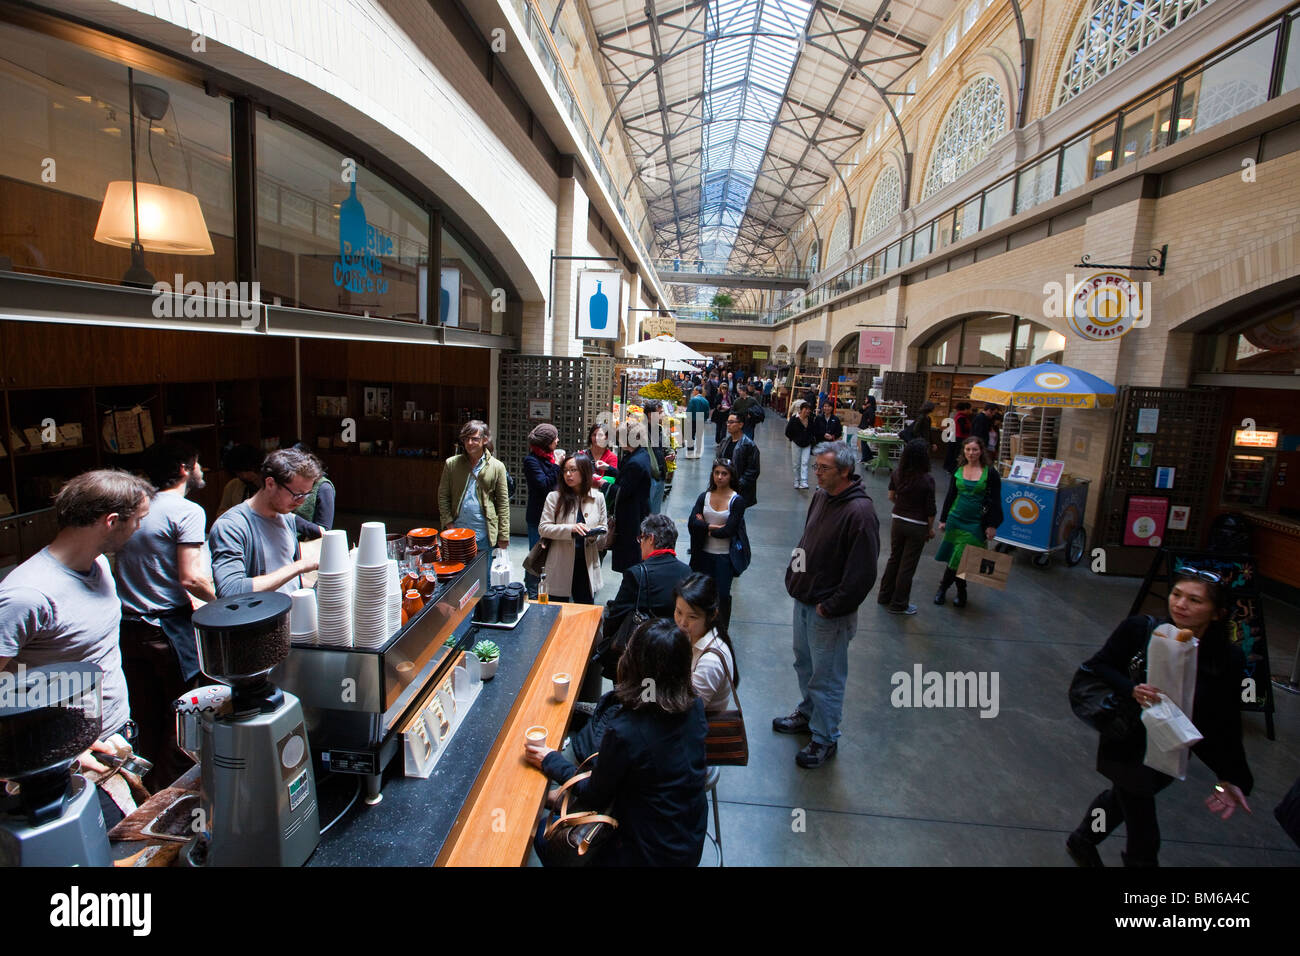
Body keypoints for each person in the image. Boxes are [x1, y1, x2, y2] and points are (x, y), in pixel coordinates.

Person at [1066, 569, 1254, 867]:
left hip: (1171, 747)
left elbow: (1225, 720)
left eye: (1194, 600)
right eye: (1177, 594)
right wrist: (1132, 689)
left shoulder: (1227, 659)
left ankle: (1082, 840)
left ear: (1216, 614)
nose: (1180, 604)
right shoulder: (1140, 629)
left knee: (1122, 797)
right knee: (1144, 832)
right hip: (1127, 738)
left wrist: (1232, 776)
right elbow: (1099, 666)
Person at [0, 468, 154, 826]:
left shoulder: (98, 564)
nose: (140, 529)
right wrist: (66, 751)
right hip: (67, 761)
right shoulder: (27, 595)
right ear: (111, 521)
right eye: (138, 521)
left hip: (115, 737)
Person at [525, 618, 708, 867]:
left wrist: (550, 760)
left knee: (544, 839)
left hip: (646, 854)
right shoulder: (694, 705)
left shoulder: (627, 731)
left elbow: (595, 795)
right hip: (688, 841)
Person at [114, 440, 218, 791]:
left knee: (147, 713)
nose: (201, 470)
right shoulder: (186, 511)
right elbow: (190, 577)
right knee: (187, 713)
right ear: (185, 468)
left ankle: (137, 790)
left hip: (128, 626)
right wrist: (220, 603)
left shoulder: (137, 508)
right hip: (167, 628)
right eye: (198, 462)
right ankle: (168, 795)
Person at [775, 442, 880, 769]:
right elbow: (808, 539)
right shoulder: (821, 496)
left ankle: (824, 737)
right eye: (815, 466)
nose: (815, 472)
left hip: (828, 612)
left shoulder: (859, 513)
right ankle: (808, 714)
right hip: (804, 599)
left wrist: (832, 606)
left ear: (845, 471)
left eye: (823, 468)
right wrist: (794, 575)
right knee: (804, 663)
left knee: (828, 675)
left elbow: (862, 573)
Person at [209, 447, 321, 597]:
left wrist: (319, 586)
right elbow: (231, 590)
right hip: (260, 619)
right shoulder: (231, 526)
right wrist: (300, 566)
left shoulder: (286, 518)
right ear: (270, 484)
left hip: (291, 615)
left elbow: (288, 582)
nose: (301, 502)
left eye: (306, 495)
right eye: (297, 494)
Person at [933, 436, 1004, 608]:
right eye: (968, 449)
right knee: (959, 557)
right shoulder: (958, 469)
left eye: (975, 450)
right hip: (955, 518)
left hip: (975, 523)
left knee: (961, 556)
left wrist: (992, 525)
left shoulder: (990, 473)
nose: (971, 453)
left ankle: (943, 588)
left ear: (981, 451)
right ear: (963, 451)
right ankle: (960, 590)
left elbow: (995, 500)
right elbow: (950, 495)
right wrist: (943, 519)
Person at [437, 420, 511, 582]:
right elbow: (443, 496)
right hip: (456, 531)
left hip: (484, 531)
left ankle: (483, 607)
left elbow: (503, 503)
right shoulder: (452, 464)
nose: (470, 443)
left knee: (484, 580)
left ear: (485, 440)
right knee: (456, 579)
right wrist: (449, 523)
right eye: (466, 439)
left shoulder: (497, 466)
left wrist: (503, 535)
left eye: (475, 439)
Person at [687, 458, 750, 631]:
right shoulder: (704, 496)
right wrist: (709, 527)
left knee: (721, 596)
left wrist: (705, 527)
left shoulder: (736, 501)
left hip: (724, 558)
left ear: (731, 476)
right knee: (699, 595)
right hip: (702, 555)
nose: (720, 477)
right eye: (716, 473)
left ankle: (721, 631)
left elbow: (729, 530)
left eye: (724, 474)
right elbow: (692, 523)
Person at [876, 439, 936, 616]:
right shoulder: (927, 480)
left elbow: (890, 496)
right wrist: (930, 528)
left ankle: (884, 596)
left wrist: (901, 505)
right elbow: (930, 509)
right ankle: (899, 603)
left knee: (894, 558)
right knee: (907, 565)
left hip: (898, 520)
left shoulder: (897, 474)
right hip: (917, 525)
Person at [538, 453, 608, 604]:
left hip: (586, 564)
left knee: (585, 611)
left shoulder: (598, 498)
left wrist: (594, 536)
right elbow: (543, 528)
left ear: (585, 471)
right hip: (560, 563)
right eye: (565, 470)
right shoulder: (554, 497)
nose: (568, 474)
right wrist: (571, 529)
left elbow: (604, 529)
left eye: (573, 470)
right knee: (557, 609)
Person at [674, 572, 739, 713]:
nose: (682, 623)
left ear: (712, 615)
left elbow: (685, 710)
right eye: (678, 612)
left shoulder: (710, 662)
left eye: (692, 616)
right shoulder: (693, 634)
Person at [523, 423, 561, 598]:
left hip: (554, 515)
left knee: (552, 556)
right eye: (555, 438)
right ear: (547, 442)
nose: (558, 440)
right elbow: (544, 485)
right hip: (537, 516)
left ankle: (548, 590)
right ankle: (531, 592)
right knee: (537, 553)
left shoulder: (550, 457)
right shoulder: (531, 461)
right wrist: (558, 466)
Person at [609, 422, 653, 574]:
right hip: (638, 512)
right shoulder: (640, 455)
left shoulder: (635, 462)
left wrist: (602, 484)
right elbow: (627, 477)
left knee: (630, 558)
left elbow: (623, 490)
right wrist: (609, 469)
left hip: (631, 517)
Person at [718, 412, 760, 507]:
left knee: (736, 516)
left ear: (740, 425)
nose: (728, 425)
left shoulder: (749, 445)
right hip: (724, 486)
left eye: (732, 422)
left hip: (739, 490)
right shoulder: (725, 442)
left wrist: (736, 484)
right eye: (728, 422)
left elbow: (753, 471)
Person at [641, 400, 672, 515]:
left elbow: (666, 446)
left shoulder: (659, 429)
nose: (662, 415)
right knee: (646, 511)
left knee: (655, 512)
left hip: (661, 474)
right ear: (650, 415)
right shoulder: (640, 432)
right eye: (660, 412)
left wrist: (670, 453)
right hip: (649, 477)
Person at [217, 443, 261, 516]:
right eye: (239, 472)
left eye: (247, 470)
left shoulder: (269, 484)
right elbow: (220, 514)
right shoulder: (232, 486)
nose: (244, 476)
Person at [785, 400, 814, 489]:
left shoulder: (811, 419)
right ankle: (796, 480)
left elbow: (813, 430)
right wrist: (793, 439)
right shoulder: (794, 419)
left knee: (805, 462)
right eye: (806, 409)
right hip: (796, 443)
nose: (807, 411)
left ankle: (804, 481)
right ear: (801, 410)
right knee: (796, 463)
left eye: (809, 409)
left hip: (807, 444)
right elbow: (788, 431)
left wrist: (811, 440)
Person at [943, 402, 973, 474]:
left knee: (953, 454)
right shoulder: (961, 417)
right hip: (960, 438)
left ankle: (950, 468)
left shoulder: (958, 416)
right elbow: (963, 430)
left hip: (955, 437)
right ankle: (953, 469)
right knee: (956, 454)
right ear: (966, 409)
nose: (970, 411)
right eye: (970, 409)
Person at [686, 387, 711, 459]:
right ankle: (698, 453)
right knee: (699, 437)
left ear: (697, 391)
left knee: (690, 436)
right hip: (701, 419)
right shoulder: (705, 401)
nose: (693, 392)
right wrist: (704, 419)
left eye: (694, 390)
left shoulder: (693, 400)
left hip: (692, 420)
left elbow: (689, 410)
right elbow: (707, 412)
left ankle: (690, 453)